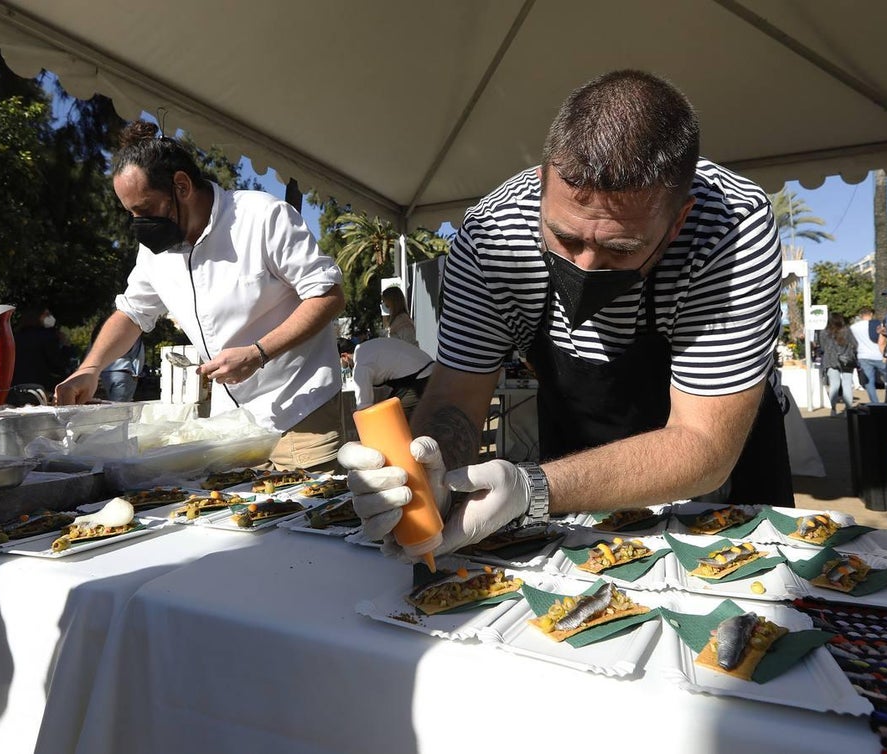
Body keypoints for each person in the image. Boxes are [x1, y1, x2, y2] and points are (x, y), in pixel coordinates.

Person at [339, 70, 787, 558]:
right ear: (542, 182)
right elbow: (455, 399)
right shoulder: (492, 235)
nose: (585, 266)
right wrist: (430, 477)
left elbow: (704, 442)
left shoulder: (731, 228)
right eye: (566, 238)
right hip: (574, 477)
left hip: (720, 493)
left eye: (620, 248)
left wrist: (532, 488)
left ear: (678, 221)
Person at [54, 121, 346, 471]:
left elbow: (327, 295)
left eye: (145, 209)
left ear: (181, 186)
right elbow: (132, 314)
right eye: (130, 213)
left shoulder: (262, 216)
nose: (138, 223)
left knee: (310, 506)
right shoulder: (154, 253)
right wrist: (90, 368)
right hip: (231, 426)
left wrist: (258, 353)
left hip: (300, 414)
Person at [346, 337, 434, 417]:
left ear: (344, 356)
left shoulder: (360, 365)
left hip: (419, 378)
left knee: (390, 418)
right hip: (431, 369)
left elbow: (364, 406)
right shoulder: (366, 348)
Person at [11, 306, 69, 396]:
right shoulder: (47, 336)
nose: (50, 317)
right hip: (41, 386)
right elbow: (58, 362)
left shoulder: (15, 337)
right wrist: (66, 347)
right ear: (36, 317)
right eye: (46, 314)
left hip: (17, 385)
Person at [818, 313, 858, 417]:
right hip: (846, 359)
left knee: (834, 385)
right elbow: (855, 344)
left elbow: (822, 347)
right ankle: (848, 410)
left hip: (830, 360)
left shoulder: (824, 332)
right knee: (847, 384)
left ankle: (833, 409)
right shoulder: (846, 330)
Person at [849, 307, 884, 404]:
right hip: (878, 354)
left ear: (860, 316)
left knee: (869, 382)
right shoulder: (877, 325)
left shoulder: (853, 327)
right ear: (871, 314)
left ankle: (875, 402)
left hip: (863, 356)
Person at [100, 336, 145, 402]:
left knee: (111, 402)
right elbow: (138, 355)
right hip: (123, 370)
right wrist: (136, 373)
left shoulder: (102, 333)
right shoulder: (132, 333)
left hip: (105, 371)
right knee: (121, 405)